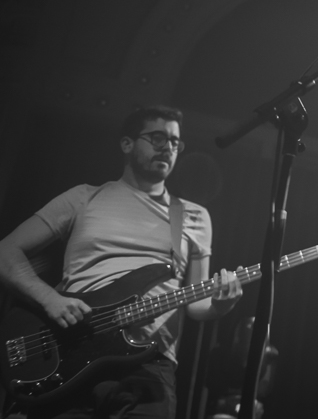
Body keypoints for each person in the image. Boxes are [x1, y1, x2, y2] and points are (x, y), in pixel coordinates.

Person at [0, 105, 243, 418]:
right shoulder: (83, 198)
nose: (168, 147)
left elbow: (196, 300)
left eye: (174, 142)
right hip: (70, 348)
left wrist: (220, 306)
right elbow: (6, 251)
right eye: (158, 138)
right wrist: (49, 299)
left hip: (148, 366)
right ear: (127, 144)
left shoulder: (193, 216)